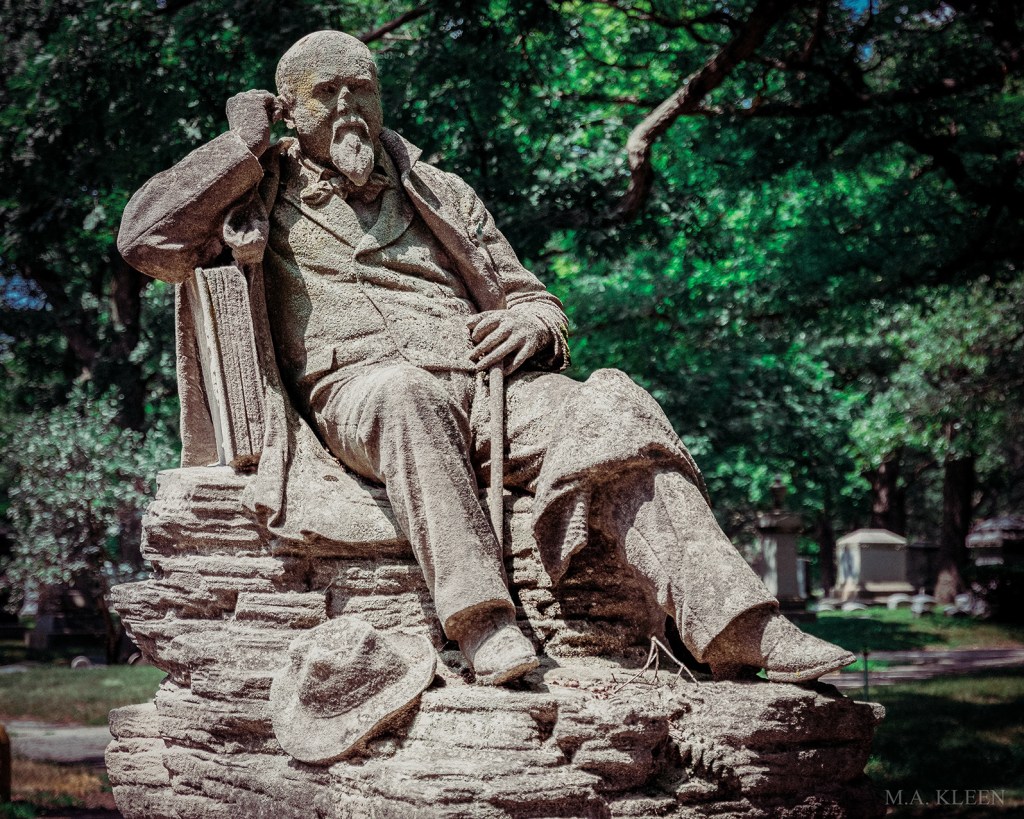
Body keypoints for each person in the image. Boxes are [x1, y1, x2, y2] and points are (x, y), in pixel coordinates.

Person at [118, 30, 854, 686]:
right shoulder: (260, 187)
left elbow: (534, 298)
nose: (348, 107)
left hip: (492, 387)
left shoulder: (438, 189)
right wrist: (237, 147)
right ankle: (481, 622)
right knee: (407, 393)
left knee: (607, 400)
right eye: (326, 92)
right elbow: (146, 242)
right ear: (287, 107)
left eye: (362, 88)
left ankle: (735, 623)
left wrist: (531, 328)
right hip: (359, 394)